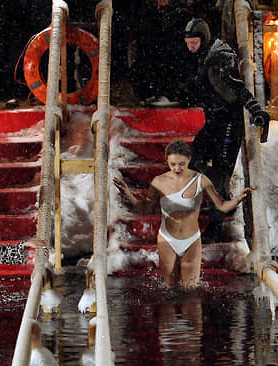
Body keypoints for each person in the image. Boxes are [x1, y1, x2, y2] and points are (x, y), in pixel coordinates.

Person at [113, 140, 254, 288]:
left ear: (189, 160)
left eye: (182, 164)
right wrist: (128, 194)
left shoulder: (200, 180)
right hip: (167, 239)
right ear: (167, 160)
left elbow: (222, 206)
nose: (177, 168)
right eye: (173, 164)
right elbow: (145, 207)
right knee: (168, 289)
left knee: (191, 290)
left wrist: (239, 198)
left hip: (191, 240)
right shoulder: (159, 182)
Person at [181, 17, 269, 243]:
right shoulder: (204, 55)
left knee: (221, 172)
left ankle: (216, 223)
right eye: (188, 43)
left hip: (230, 122)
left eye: (193, 43)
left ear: (204, 39)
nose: (190, 47)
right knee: (194, 159)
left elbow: (237, 87)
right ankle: (216, 199)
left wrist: (255, 108)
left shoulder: (218, 60)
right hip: (214, 121)